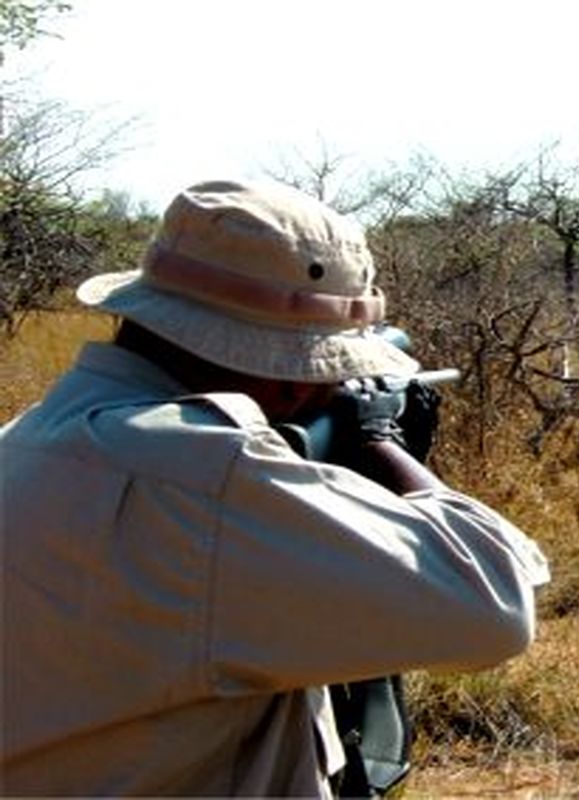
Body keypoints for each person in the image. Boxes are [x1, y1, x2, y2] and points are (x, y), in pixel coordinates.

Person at [0, 179, 550, 797]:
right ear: (294, 382)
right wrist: (379, 442)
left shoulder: (26, 438)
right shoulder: (207, 469)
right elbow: (492, 607)